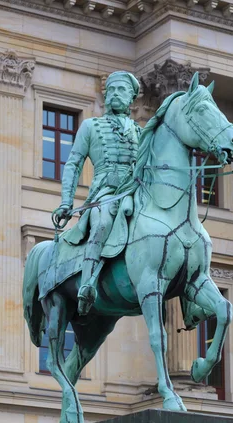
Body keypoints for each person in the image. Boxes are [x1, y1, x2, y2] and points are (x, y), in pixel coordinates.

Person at [53, 71, 141, 315]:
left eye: (121, 90)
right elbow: (74, 163)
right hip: (105, 192)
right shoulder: (91, 126)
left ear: (131, 98)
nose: (114, 94)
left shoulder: (139, 131)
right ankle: (88, 283)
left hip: (134, 192)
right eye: (110, 90)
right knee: (102, 223)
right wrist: (66, 202)